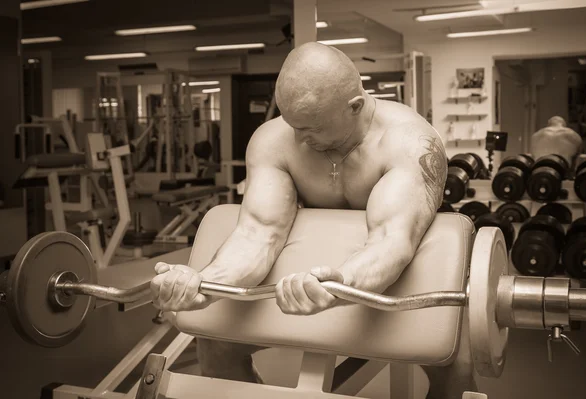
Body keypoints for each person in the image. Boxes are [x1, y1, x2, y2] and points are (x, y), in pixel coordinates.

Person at [150, 42, 473, 398]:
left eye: (312, 128)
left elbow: (390, 240)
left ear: (355, 107)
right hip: (312, 272)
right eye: (292, 125)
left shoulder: (409, 142)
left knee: (454, 359)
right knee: (215, 344)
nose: (300, 139)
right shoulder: (276, 140)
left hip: (403, 270)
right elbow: (259, 233)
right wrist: (203, 284)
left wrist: (340, 283)